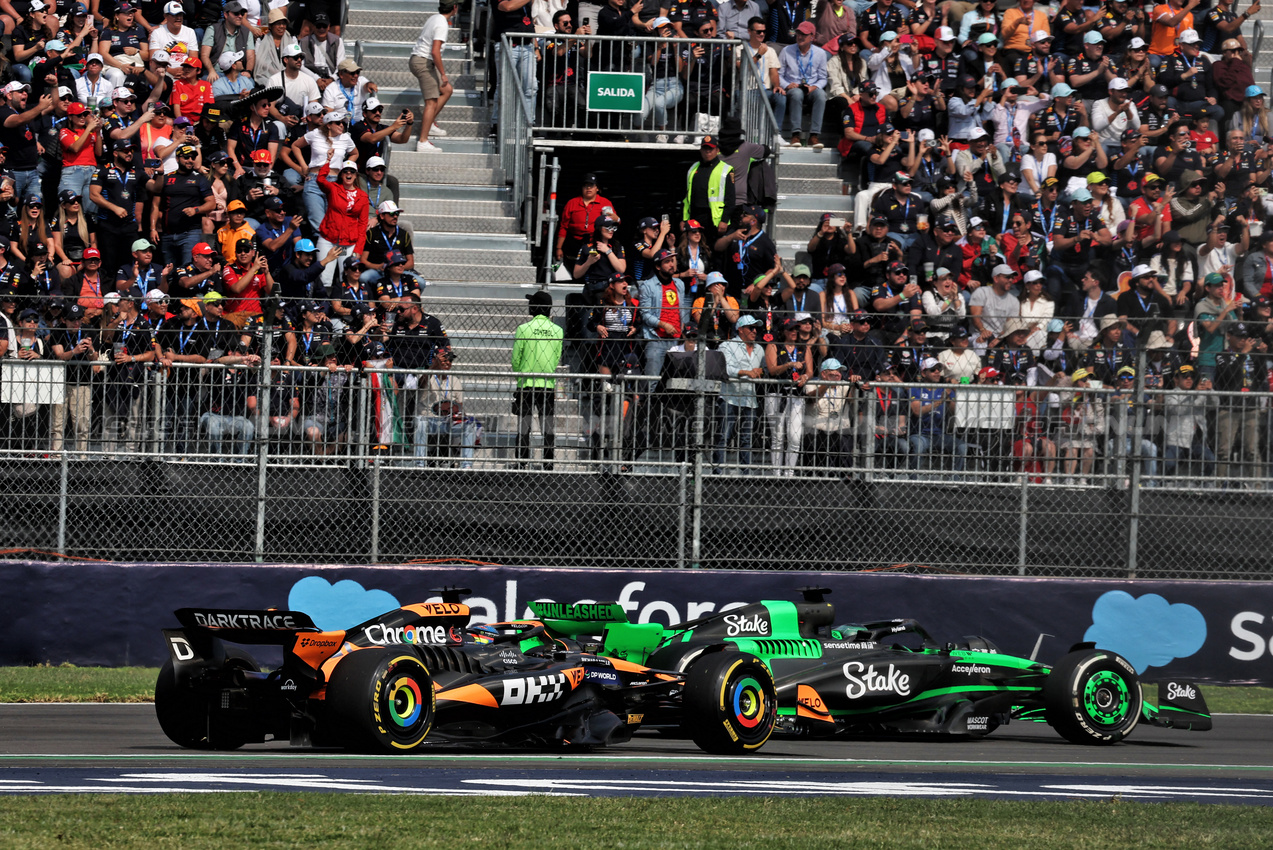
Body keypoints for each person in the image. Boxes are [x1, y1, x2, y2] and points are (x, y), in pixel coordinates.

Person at [512, 290, 563, 468]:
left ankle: (522, 461)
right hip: (547, 384)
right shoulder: (557, 331)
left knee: (524, 425)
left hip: (526, 383)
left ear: (534, 307)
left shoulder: (524, 329)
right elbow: (556, 358)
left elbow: (515, 360)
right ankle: (548, 463)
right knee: (547, 426)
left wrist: (522, 371)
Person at [1213, 322, 1267, 482]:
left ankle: (1256, 488)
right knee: (1224, 450)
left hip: (1250, 407)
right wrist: (1242, 354)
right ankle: (1218, 486)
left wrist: (1262, 355)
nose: (1243, 340)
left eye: (1245, 337)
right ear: (1229, 336)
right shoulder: (1222, 355)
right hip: (1229, 407)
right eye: (1239, 337)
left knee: (1252, 450)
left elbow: (1260, 376)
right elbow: (1227, 376)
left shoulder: (1252, 354)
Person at [714, 314, 765, 473]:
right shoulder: (727, 345)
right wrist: (746, 372)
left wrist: (760, 371)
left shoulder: (760, 348)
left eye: (756, 328)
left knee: (746, 439)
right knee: (723, 437)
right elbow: (725, 369)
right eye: (751, 327)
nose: (754, 331)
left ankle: (745, 474)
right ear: (740, 329)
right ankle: (718, 472)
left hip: (750, 399)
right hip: (729, 397)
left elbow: (765, 369)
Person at [764, 316, 813, 473]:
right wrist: (789, 365)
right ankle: (776, 473)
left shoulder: (804, 347)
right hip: (777, 394)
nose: (794, 332)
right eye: (791, 329)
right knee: (777, 436)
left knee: (795, 437)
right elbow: (772, 370)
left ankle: (789, 473)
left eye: (796, 329)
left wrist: (805, 376)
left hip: (796, 394)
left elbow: (810, 371)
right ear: (783, 331)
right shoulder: (774, 346)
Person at [416, 344, 477, 467]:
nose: (448, 362)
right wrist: (435, 366)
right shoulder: (426, 375)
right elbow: (421, 383)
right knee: (420, 423)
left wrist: (459, 416)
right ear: (435, 360)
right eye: (444, 359)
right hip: (429, 419)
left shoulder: (454, 380)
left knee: (470, 425)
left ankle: (466, 465)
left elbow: (460, 405)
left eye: (450, 360)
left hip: (448, 420)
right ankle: (419, 464)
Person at [411, 1, 457, 152]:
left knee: (447, 90)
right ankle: (423, 141)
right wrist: (443, 74)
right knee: (431, 101)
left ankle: (429, 124)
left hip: (421, 60)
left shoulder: (434, 17)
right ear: (454, 8)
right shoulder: (442, 23)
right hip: (423, 62)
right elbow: (435, 52)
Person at [775, 21, 828, 150]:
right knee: (797, 93)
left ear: (812, 37)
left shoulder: (820, 53)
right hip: (793, 87)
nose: (800, 37)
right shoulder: (787, 50)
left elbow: (823, 78)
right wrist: (787, 85)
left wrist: (814, 87)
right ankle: (795, 134)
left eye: (804, 35)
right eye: (798, 33)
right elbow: (779, 74)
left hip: (811, 87)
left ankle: (814, 135)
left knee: (821, 95)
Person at [555, 174, 615, 273]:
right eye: (585, 185)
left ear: (597, 189)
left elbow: (613, 224)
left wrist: (617, 219)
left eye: (591, 185)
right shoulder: (572, 203)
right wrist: (558, 248)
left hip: (596, 243)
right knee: (568, 270)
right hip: (574, 243)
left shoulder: (605, 203)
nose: (588, 188)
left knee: (594, 268)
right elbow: (563, 227)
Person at [682, 136, 735, 234]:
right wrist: (684, 219)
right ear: (701, 150)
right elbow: (687, 196)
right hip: (695, 216)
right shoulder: (693, 168)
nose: (708, 151)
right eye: (705, 148)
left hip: (713, 220)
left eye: (711, 149)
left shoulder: (725, 169)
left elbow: (730, 199)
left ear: (717, 150)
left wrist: (724, 220)